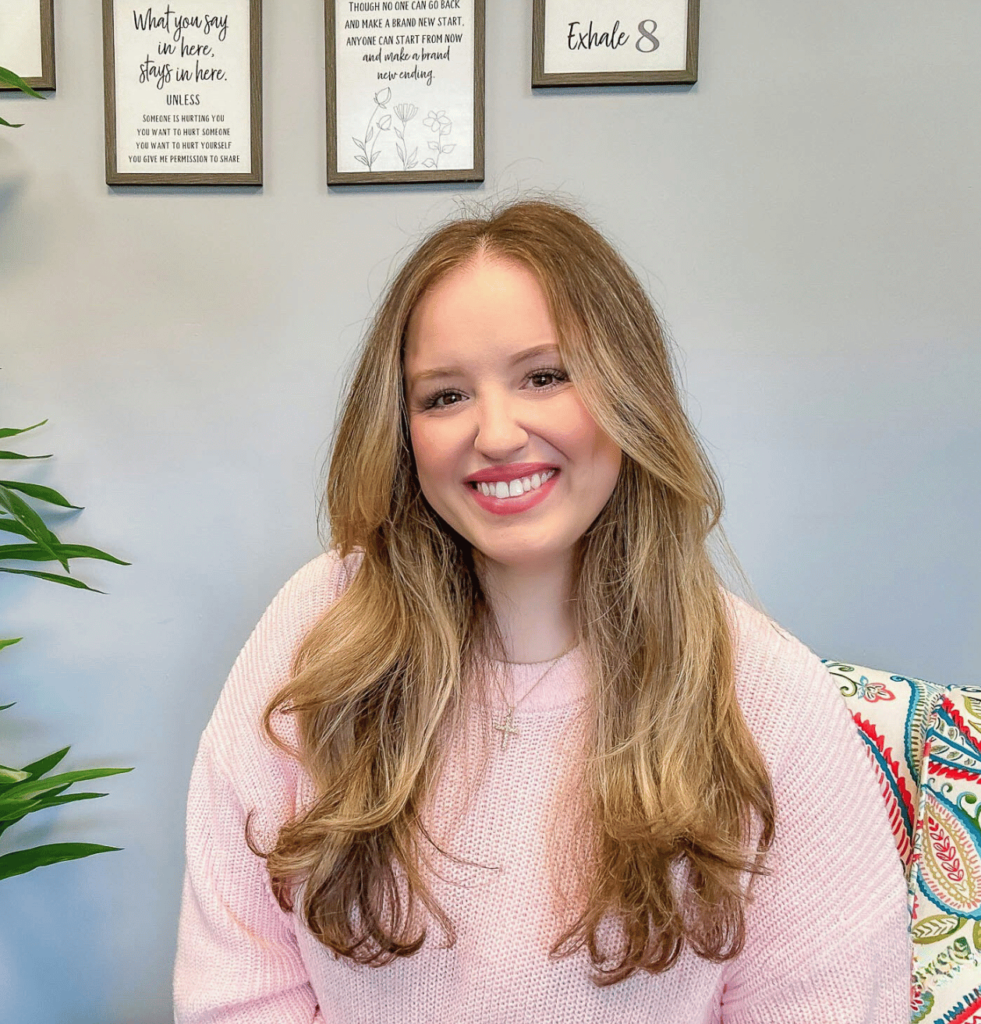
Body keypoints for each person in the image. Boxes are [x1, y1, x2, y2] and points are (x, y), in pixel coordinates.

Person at [173, 198, 912, 1023]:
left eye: (545, 376)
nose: (495, 433)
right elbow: (240, 985)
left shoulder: (766, 693)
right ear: (403, 428)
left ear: (629, 393)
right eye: (444, 396)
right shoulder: (317, 631)